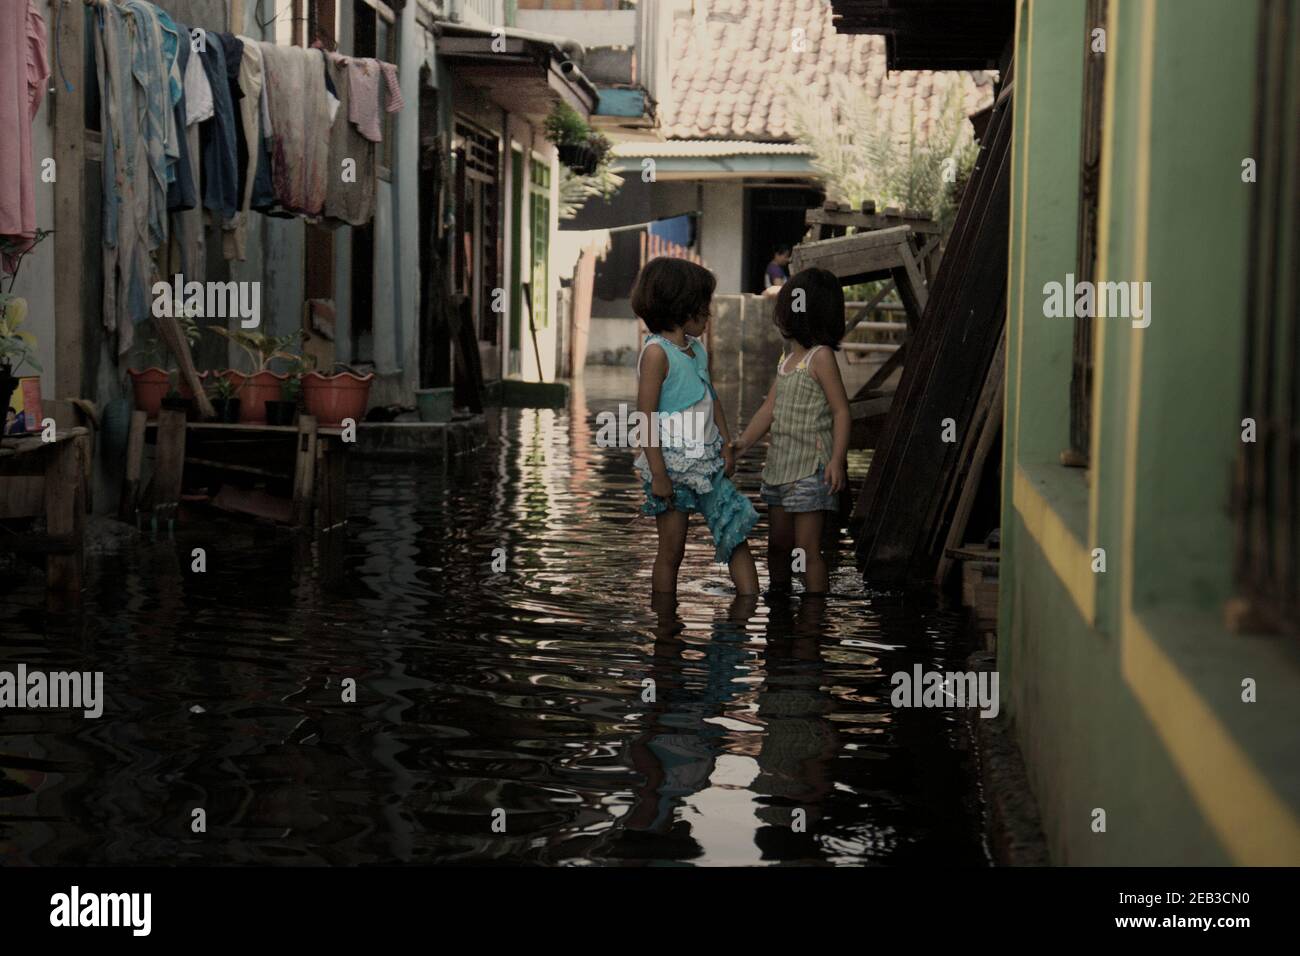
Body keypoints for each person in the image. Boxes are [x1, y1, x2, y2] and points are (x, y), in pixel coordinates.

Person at [632, 257, 759, 596]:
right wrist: (658, 474)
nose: (709, 313)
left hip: (707, 463)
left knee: (734, 531)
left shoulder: (696, 350)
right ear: (681, 307)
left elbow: (711, 398)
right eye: (704, 306)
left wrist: (726, 445)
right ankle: (665, 625)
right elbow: (645, 416)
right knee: (672, 552)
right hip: (672, 467)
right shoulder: (657, 353)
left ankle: (749, 604)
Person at [732, 268, 851, 595]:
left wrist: (837, 460)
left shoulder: (820, 357)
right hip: (779, 471)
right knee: (777, 547)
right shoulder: (788, 359)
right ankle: (780, 604)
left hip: (811, 471)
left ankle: (813, 614)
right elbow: (769, 409)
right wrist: (741, 444)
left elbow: (841, 410)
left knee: (807, 551)